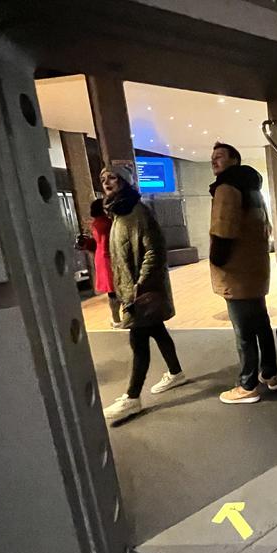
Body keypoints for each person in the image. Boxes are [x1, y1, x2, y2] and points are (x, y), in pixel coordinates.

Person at [99, 165, 186, 421]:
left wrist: (140, 284)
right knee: (156, 330)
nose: (107, 182)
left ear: (125, 181)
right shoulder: (118, 213)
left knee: (138, 341)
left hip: (141, 292)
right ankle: (176, 372)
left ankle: (132, 398)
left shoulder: (139, 212)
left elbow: (154, 251)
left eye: (112, 178)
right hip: (130, 289)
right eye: (103, 179)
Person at [209, 142, 277, 404]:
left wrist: (217, 261)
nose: (214, 161)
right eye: (212, 158)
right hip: (255, 269)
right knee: (261, 324)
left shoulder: (227, 188)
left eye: (219, 157)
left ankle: (247, 385)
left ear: (234, 160)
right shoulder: (253, 189)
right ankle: (269, 374)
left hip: (236, 273)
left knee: (244, 332)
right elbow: (266, 229)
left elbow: (223, 229)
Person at [77, 198, 122, 329]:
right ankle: (118, 319)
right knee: (116, 288)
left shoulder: (96, 223)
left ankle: (116, 319)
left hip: (101, 258)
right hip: (109, 258)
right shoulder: (107, 223)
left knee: (111, 290)